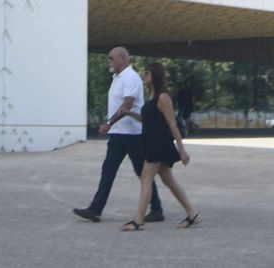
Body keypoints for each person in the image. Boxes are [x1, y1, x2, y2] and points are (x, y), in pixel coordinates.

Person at [73, 47, 164, 223]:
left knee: (143, 173)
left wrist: (108, 123)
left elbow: (127, 104)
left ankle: (157, 209)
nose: (109, 61)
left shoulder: (130, 78)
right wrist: (112, 126)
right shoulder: (117, 78)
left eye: (111, 58)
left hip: (132, 134)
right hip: (119, 134)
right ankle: (95, 209)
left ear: (122, 58)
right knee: (108, 171)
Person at [123, 63, 200, 231]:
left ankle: (138, 220)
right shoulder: (152, 96)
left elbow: (172, 124)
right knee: (168, 180)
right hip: (151, 141)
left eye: (147, 73)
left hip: (160, 143)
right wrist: (130, 114)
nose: (144, 76)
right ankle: (191, 212)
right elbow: (148, 120)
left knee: (146, 177)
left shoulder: (163, 97)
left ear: (155, 75)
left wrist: (181, 149)